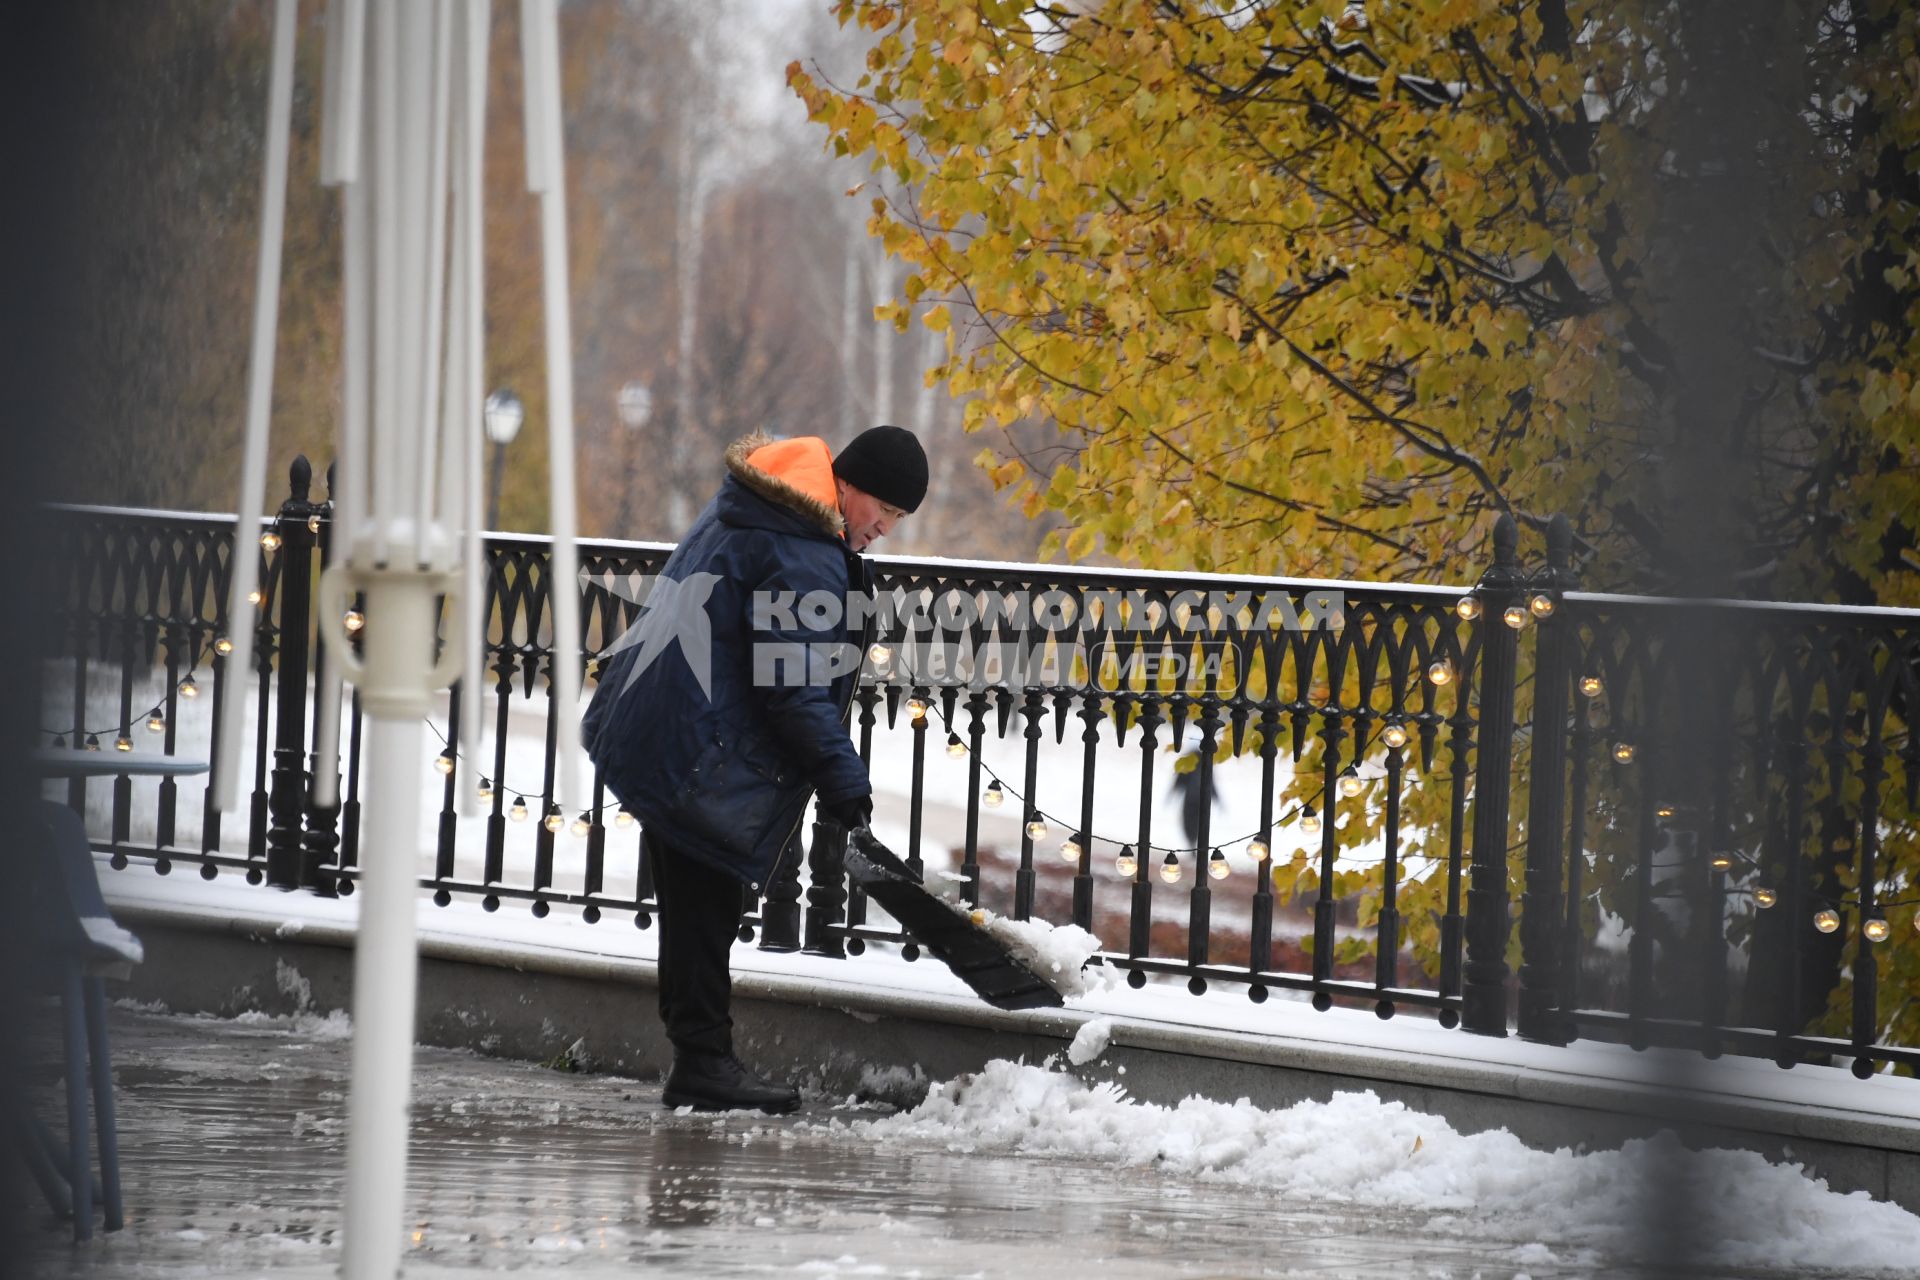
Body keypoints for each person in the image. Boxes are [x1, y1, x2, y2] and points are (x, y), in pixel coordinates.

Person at [583, 424, 927, 1112]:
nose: (885, 528)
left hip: (672, 727)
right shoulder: (801, 547)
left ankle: (700, 1060)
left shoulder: (764, 506)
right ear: (848, 487)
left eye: (895, 520)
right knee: (704, 908)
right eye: (883, 511)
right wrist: (844, 781)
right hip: (698, 748)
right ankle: (704, 1066)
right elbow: (793, 685)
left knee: (696, 909)